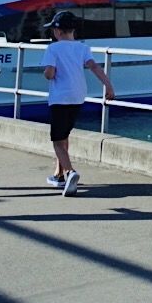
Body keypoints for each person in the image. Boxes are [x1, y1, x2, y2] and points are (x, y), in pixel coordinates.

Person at [42, 10, 115, 196]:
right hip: (78, 97)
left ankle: (70, 172)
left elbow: (49, 73)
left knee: (57, 141)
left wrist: (48, 74)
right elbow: (94, 67)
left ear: (57, 32)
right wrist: (108, 85)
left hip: (59, 98)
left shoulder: (53, 49)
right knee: (64, 134)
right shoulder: (83, 48)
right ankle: (58, 175)